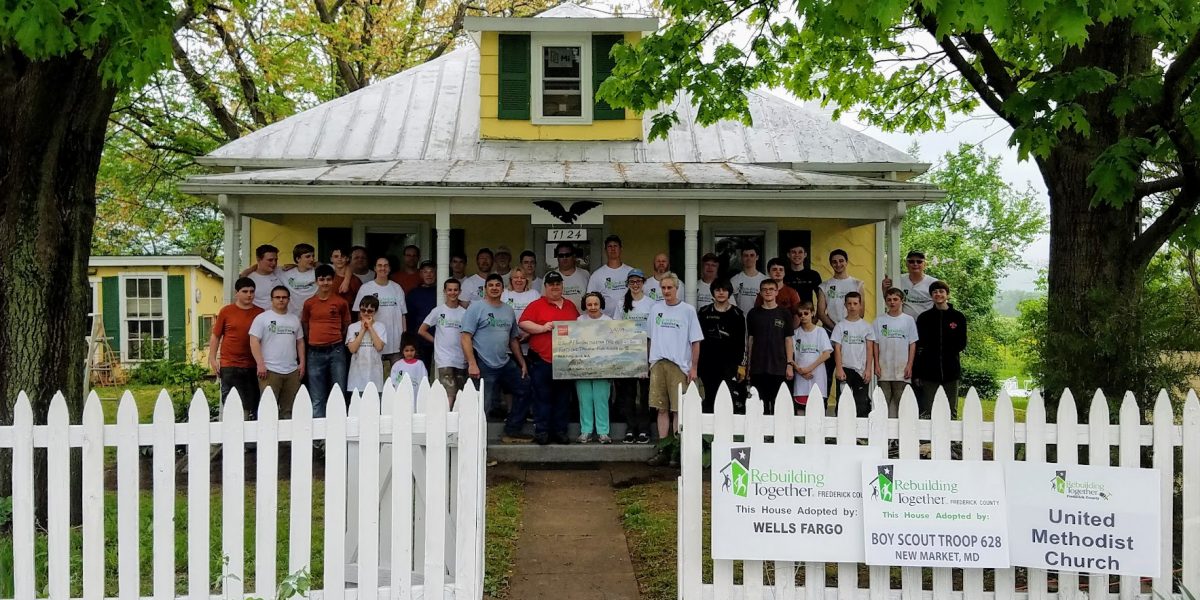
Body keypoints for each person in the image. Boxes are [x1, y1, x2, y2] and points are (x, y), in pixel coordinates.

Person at [461, 274, 530, 437]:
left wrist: (522, 363)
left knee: (525, 387)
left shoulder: (508, 310)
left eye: (497, 285)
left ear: (502, 288)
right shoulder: (476, 308)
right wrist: (472, 363)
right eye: (490, 285)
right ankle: (474, 439)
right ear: (485, 288)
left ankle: (512, 430)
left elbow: (513, 339)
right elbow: (465, 337)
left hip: (505, 363)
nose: (494, 288)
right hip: (483, 363)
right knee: (482, 404)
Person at [645, 273, 703, 467]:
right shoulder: (655, 309)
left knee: (677, 409)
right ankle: (663, 448)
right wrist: (648, 362)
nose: (666, 291)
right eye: (663, 288)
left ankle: (677, 450)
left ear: (676, 288)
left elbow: (695, 341)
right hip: (658, 363)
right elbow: (650, 338)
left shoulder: (687, 310)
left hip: (679, 365)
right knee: (661, 408)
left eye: (670, 288)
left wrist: (693, 368)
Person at [518, 271, 581, 445]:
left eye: (558, 284)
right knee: (542, 398)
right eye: (551, 284)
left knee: (562, 398)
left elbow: (580, 327)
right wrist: (543, 327)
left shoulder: (570, 305)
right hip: (542, 360)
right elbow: (523, 323)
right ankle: (542, 432)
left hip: (565, 361)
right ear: (545, 287)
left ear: (562, 285)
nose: (555, 287)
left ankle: (560, 431)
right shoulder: (536, 305)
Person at [208, 277, 265, 416]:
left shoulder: (261, 313)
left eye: (252, 291)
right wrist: (212, 358)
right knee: (232, 404)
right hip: (230, 364)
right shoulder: (226, 311)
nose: (249, 294)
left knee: (252, 404)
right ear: (237, 293)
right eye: (245, 291)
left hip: (252, 365)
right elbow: (216, 336)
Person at [301, 264, 351, 417]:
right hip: (314, 352)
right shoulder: (309, 303)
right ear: (316, 281)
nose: (325, 283)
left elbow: (346, 324)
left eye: (328, 280)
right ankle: (319, 439)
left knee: (338, 391)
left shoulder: (341, 302)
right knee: (317, 396)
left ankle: (339, 432)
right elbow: (305, 324)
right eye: (321, 280)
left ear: (333, 281)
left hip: (336, 350)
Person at [249, 285, 305, 418]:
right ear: (271, 299)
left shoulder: (294, 319)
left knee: (290, 410)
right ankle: (268, 438)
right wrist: (260, 364)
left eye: (284, 297)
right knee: (269, 409)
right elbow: (254, 340)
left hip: (291, 371)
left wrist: (302, 363)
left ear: (289, 300)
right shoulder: (262, 318)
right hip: (269, 370)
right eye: (277, 297)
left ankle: (287, 439)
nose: (281, 300)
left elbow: (300, 342)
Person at [913, 280, 967, 419]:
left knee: (951, 408)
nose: (938, 294)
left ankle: (952, 439)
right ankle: (927, 439)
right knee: (929, 408)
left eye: (941, 291)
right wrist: (917, 372)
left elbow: (962, 343)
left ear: (947, 295)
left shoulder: (958, 317)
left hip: (951, 369)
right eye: (935, 292)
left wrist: (947, 351)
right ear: (931, 296)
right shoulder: (924, 318)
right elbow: (919, 346)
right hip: (929, 371)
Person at [746, 279, 795, 415]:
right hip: (758, 366)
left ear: (776, 292)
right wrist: (749, 365)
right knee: (759, 402)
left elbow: (788, 339)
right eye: (764, 289)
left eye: (771, 289)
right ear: (760, 293)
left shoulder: (784, 313)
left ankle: (776, 435)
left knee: (778, 403)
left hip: (778, 365)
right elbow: (750, 339)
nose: (768, 292)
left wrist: (789, 364)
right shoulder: (753, 313)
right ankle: (762, 435)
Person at [619, 269, 656, 443]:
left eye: (638, 281)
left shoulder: (652, 304)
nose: (635, 285)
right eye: (632, 282)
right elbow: (615, 329)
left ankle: (644, 429)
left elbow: (654, 331)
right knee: (628, 394)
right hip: (627, 354)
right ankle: (630, 428)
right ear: (627, 284)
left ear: (643, 283)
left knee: (645, 395)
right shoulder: (621, 304)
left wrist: (650, 355)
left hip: (647, 353)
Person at [697, 279, 745, 413]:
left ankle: (727, 430)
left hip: (729, 365)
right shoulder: (704, 312)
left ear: (729, 292)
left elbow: (742, 343)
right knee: (710, 396)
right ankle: (709, 431)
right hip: (708, 363)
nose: (721, 293)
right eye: (717, 290)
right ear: (712, 292)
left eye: (724, 290)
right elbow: (698, 340)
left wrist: (741, 367)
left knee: (727, 396)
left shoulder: (738, 315)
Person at [418, 279, 469, 406]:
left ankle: (457, 417)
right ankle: (447, 415)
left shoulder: (465, 313)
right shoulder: (438, 311)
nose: (453, 292)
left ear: (460, 291)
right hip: (444, 357)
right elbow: (422, 330)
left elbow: (468, 335)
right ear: (445, 291)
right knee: (449, 390)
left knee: (460, 390)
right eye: (450, 290)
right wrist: (436, 341)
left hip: (460, 357)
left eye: (455, 290)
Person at [355, 256, 408, 373]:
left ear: (389, 269)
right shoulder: (366, 288)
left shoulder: (397, 288)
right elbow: (360, 315)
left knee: (396, 379)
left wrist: (404, 337)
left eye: (385, 265)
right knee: (373, 379)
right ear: (374, 268)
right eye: (379, 265)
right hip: (373, 342)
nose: (382, 268)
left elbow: (403, 314)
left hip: (395, 343)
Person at [575, 292, 614, 443]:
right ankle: (586, 431)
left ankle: (603, 432)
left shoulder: (608, 321)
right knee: (585, 399)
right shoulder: (579, 320)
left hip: (603, 366)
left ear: (601, 305)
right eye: (589, 304)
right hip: (583, 366)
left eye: (595, 304)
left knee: (601, 399)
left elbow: (613, 344)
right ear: (585, 305)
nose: (592, 307)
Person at [874, 287, 919, 418]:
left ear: (902, 301)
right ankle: (884, 435)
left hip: (902, 369)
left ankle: (901, 436)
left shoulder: (908, 320)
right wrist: (876, 364)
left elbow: (912, 344)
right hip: (884, 369)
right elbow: (875, 344)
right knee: (883, 402)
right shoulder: (879, 321)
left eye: (895, 299)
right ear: (885, 302)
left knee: (902, 402)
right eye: (889, 300)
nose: (892, 302)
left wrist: (909, 365)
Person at [831, 291, 875, 417]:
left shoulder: (867, 327)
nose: (852, 306)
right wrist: (839, 369)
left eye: (855, 303)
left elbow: (869, 349)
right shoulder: (840, 326)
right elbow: (837, 349)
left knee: (861, 402)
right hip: (844, 369)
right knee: (843, 402)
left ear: (860, 305)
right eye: (849, 303)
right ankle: (840, 433)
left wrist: (868, 369)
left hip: (861, 370)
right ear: (845, 305)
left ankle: (860, 435)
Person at [791, 302, 831, 415]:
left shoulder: (820, 332)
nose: (803, 316)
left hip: (817, 377)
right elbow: (790, 355)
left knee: (817, 413)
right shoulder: (795, 334)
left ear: (812, 313)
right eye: (800, 314)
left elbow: (826, 354)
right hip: (800, 379)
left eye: (806, 313)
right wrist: (800, 370)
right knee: (800, 412)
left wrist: (808, 368)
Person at [346, 295, 387, 394]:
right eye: (363, 310)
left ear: (375, 312)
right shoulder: (352, 327)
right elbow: (352, 349)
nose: (365, 313)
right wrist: (363, 329)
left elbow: (379, 347)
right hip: (357, 375)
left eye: (369, 311)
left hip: (375, 374)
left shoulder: (381, 327)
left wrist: (370, 327)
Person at [818, 249, 866, 330]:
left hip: (852, 330)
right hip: (831, 331)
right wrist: (836, 328)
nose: (838, 264)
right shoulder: (824, 286)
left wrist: (849, 327)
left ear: (846, 262)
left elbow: (861, 311)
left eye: (841, 261)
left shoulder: (857, 284)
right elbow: (821, 313)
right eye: (834, 262)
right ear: (831, 264)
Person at [882, 250, 938, 318]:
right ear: (906, 264)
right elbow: (889, 299)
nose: (915, 264)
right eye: (911, 261)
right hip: (904, 323)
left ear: (925, 264)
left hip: (926, 323)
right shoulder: (898, 280)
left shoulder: (933, 282)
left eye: (919, 261)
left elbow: (940, 303)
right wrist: (885, 288)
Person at [587, 234, 632, 317]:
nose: (613, 249)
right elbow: (589, 299)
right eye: (609, 246)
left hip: (627, 320)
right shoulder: (597, 275)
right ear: (605, 250)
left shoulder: (631, 272)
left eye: (615, 246)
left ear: (621, 249)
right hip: (605, 321)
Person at [405, 260, 438, 369]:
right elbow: (409, 319)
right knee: (423, 372)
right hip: (420, 340)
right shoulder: (413, 294)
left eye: (432, 272)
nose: (429, 275)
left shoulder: (442, 293)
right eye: (425, 272)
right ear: (420, 274)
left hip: (440, 338)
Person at [754, 258, 802, 329]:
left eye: (781, 269)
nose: (778, 272)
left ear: (784, 272)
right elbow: (756, 314)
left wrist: (790, 332)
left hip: (787, 333)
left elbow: (797, 315)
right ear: (768, 272)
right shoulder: (763, 293)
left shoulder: (792, 292)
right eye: (774, 269)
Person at [282, 243, 318, 316]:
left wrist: (346, 281)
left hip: (311, 316)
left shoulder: (318, 272)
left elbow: (345, 266)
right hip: (292, 317)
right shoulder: (285, 272)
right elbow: (260, 265)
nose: (312, 259)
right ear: (298, 259)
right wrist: (251, 270)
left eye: (313, 256)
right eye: (308, 256)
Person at [730, 245, 766, 314]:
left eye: (752, 255)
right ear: (741, 258)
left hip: (760, 320)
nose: (749, 258)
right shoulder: (734, 280)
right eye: (746, 256)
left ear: (757, 257)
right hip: (740, 320)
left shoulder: (765, 280)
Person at [390, 337, 429, 402]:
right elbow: (393, 382)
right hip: (401, 396)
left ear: (415, 350)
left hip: (417, 395)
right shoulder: (397, 365)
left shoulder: (420, 364)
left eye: (412, 350)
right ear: (402, 351)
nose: (409, 353)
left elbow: (425, 380)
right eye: (407, 350)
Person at [552, 242, 590, 308]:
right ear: (557, 257)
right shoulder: (550, 276)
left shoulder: (585, 274)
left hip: (582, 317)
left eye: (567, 255)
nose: (564, 258)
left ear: (574, 256)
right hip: (558, 318)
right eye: (561, 255)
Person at [245, 244, 283, 310]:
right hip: (258, 318)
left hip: (280, 318)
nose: (274, 263)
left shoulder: (281, 272)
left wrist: (293, 265)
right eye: (270, 260)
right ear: (259, 259)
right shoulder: (249, 279)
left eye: (276, 260)